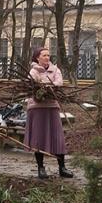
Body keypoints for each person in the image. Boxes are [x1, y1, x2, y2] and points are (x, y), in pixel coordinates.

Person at [25, 47, 73, 180]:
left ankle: (62, 167)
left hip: (52, 107)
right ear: (37, 58)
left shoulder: (55, 70)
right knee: (38, 138)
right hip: (37, 108)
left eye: (48, 55)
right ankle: (41, 168)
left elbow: (58, 83)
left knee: (58, 137)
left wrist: (44, 86)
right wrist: (47, 86)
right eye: (44, 55)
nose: (47, 57)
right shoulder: (33, 71)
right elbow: (32, 86)